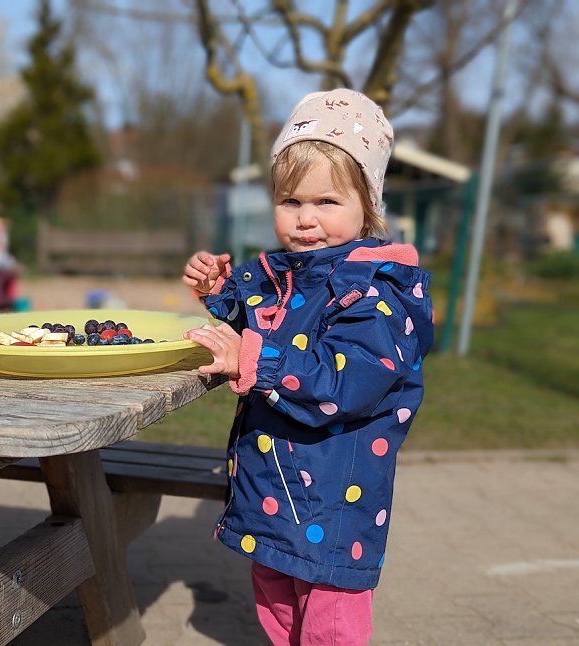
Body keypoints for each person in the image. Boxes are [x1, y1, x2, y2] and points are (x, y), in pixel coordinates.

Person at [181, 88, 434, 645]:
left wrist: (248, 357)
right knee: (276, 602)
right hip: (272, 489)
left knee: (329, 624)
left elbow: (343, 382)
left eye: (326, 202)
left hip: (333, 498)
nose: (306, 220)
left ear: (367, 205)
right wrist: (220, 291)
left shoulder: (375, 291)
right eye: (291, 201)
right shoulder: (285, 271)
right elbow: (258, 316)